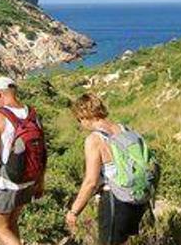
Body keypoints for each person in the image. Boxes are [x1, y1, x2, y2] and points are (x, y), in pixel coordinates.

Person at [66, 94, 157, 245]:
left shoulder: (94, 140)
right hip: (138, 196)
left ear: (84, 116)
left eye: (79, 119)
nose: (80, 124)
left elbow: (91, 182)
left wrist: (74, 211)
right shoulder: (123, 129)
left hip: (115, 199)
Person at [0, 77, 47, 245]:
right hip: (29, 179)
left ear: (0, 93)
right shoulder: (32, 113)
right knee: (12, 223)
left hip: (7, 183)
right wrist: (40, 182)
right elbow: (43, 151)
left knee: (0, 228)